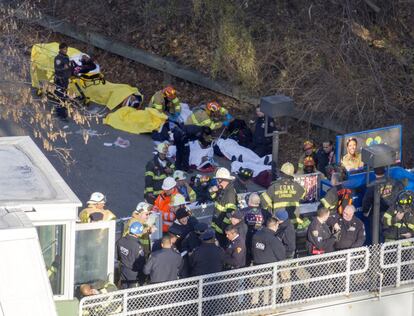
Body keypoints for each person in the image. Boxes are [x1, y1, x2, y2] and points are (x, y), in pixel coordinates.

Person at [261, 162, 309, 230]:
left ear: (281, 173)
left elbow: (263, 202)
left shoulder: (274, 186)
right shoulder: (297, 186)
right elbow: (304, 194)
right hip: (293, 222)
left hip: (278, 223)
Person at [209, 167, 238, 247]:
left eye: (218, 179)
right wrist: (212, 192)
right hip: (218, 224)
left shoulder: (229, 193)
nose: (217, 182)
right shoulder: (223, 189)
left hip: (223, 229)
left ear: (221, 180)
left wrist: (223, 228)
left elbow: (230, 213)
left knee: (223, 247)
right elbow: (216, 199)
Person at [243, 193, 271, 264]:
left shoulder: (243, 212)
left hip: (247, 240)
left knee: (247, 260)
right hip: (261, 240)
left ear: (249, 201)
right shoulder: (265, 212)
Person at [116, 222, 146, 288]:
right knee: (133, 294)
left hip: (123, 270)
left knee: (124, 291)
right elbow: (141, 263)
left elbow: (117, 256)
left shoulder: (120, 241)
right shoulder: (138, 246)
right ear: (138, 233)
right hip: (134, 274)